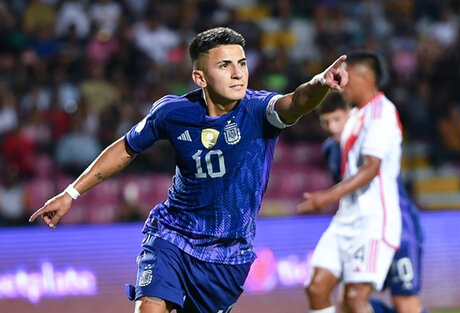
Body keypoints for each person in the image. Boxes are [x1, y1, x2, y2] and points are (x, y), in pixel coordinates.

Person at [29, 27, 348, 313]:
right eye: (225, 65)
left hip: (227, 254)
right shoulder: (173, 112)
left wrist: (320, 82)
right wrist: (71, 193)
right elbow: (127, 147)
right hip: (172, 235)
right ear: (200, 77)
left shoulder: (258, 110)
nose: (238, 74)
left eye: (242, 63)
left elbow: (297, 103)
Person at [297, 51, 402, 313]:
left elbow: (371, 168)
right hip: (346, 219)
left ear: (365, 77)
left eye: (348, 76)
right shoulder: (355, 115)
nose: (343, 82)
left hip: (373, 221)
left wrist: (325, 197)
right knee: (316, 287)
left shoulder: (382, 113)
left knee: (355, 299)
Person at [317, 93, 428, 313]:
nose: (332, 128)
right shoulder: (331, 150)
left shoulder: (371, 137)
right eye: (326, 122)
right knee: (349, 301)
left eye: (337, 119)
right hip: (363, 231)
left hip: (397, 230)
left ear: (351, 114)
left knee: (405, 302)